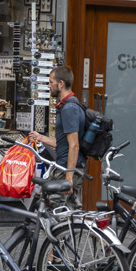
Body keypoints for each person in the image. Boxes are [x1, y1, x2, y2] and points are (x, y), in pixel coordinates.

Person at [28, 65, 84, 206]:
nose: (48, 86)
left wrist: (69, 177)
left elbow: (74, 145)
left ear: (61, 84)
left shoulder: (69, 108)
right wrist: (40, 138)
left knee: (61, 216)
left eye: (51, 82)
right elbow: (64, 143)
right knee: (57, 214)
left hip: (67, 169)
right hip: (63, 166)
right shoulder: (67, 106)